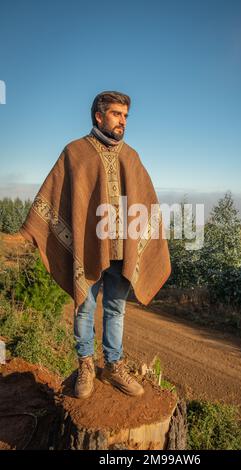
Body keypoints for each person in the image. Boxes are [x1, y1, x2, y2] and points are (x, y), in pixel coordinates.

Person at [19, 91, 171, 400]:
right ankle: (86, 365)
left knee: (116, 309)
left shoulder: (131, 157)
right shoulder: (75, 153)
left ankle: (113, 366)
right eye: (117, 114)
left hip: (121, 252)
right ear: (99, 116)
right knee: (85, 307)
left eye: (126, 116)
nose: (122, 121)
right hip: (88, 249)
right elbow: (52, 198)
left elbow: (146, 203)